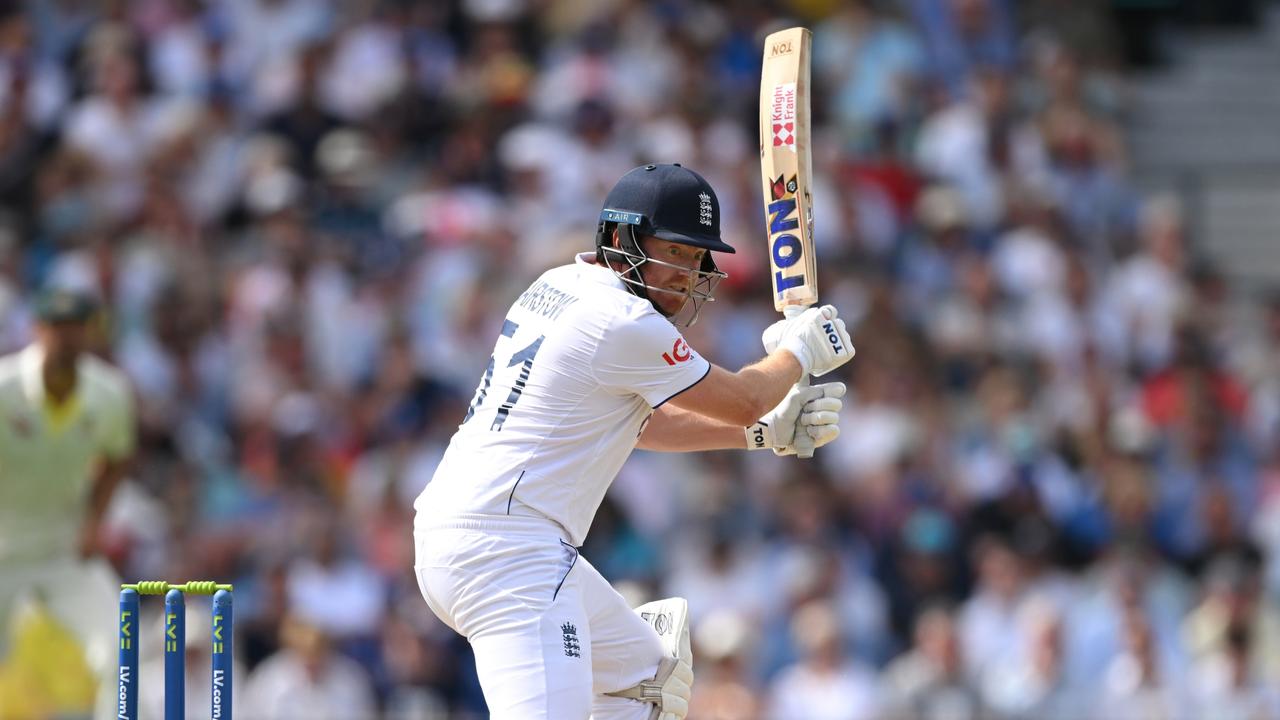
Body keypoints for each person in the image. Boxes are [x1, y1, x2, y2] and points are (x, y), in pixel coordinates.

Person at [413, 163, 856, 719]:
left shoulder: (556, 285)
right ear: (621, 239)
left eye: (698, 260)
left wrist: (761, 434)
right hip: (511, 557)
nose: (688, 275)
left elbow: (643, 425)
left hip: (475, 537)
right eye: (677, 252)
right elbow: (745, 397)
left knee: (646, 677)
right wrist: (798, 352)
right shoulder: (619, 322)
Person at [0, 288, 137, 719]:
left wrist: (95, 521)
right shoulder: (3, 388)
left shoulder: (109, 393)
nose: (68, 338)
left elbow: (117, 457)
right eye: (59, 329)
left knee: (122, 648)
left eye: (77, 328)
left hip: (64, 549)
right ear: (38, 330)